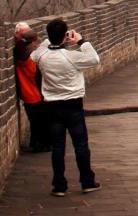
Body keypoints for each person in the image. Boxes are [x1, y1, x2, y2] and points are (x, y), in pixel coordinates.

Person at [31, 19, 101, 196]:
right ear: (64, 36)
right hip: (73, 105)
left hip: (52, 107)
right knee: (81, 145)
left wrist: (53, 39)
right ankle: (87, 182)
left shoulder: (41, 56)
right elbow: (94, 59)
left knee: (58, 147)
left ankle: (59, 186)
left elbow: (37, 51)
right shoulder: (72, 57)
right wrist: (81, 41)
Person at [14, 29, 50, 152]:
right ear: (32, 42)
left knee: (36, 123)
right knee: (39, 123)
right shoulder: (25, 60)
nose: (36, 46)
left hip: (30, 94)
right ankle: (40, 145)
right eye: (35, 43)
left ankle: (37, 144)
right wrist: (24, 39)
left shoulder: (22, 57)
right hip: (33, 94)